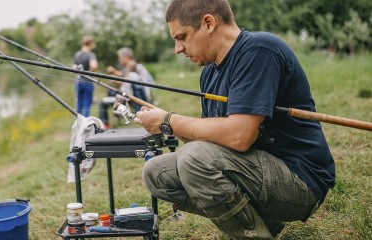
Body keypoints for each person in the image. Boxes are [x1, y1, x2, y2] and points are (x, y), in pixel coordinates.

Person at [135, 0, 335, 239]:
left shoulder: (260, 50)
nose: (178, 48)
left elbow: (239, 136)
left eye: (182, 37)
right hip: (257, 173)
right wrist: (165, 123)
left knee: (194, 158)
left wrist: (169, 119)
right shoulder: (209, 71)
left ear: (208, 23)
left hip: (301, 180)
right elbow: (210, 147)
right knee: (156, 173)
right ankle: (263, 223)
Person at [74, 35, 98, 117]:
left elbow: (74, 67)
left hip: (78, 81)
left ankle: (78, 125)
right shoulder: (90, 54)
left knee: (78, 105)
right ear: (90, 43)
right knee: (86, 105)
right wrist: (90, 73)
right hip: (87, 82)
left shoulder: (77, 54)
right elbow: (94, 65)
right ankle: (85, 126)